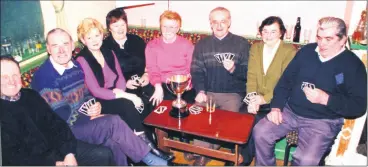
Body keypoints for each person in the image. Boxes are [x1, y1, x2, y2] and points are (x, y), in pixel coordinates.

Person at [31, 28, 180, 166]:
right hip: (64, 129)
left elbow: (87, 94)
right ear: (48, 49)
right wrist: (93, 115)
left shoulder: (74, 66)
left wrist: (96, 106)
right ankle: (154, 162)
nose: (62, 50)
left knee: (114, 142)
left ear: (72, 45)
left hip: (83, 120)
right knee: (113, 122)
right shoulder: (44, 76)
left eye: (65, 44)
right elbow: (62, 114)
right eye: (55, 45)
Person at [253, 17, 367, 166]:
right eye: (319, 37)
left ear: (343, 40)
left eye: (328, 39)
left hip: (323, 121)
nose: (322, 44)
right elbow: (285, 81)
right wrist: (276, 106)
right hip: (290, 111)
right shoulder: (307, 51)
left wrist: (326, 99)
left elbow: (358, 106)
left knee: (306, 160)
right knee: (261, 132)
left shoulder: (353, 65)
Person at [75, 18, 173, 161]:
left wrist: (122, 93)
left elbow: (120, 78)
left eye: (97, 35)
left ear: (102, 35)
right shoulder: (82, 59)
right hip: (99, 100)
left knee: (141, 102)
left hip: (117, 92)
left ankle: (147, 147)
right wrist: (124, 96)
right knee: (127, 104)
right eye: (89, 37)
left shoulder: (108, 52)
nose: (94, 40)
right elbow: (96, 90)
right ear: (83, 40)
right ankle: (150, 149)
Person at [0, 57, 115, 166]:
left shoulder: (30, 95)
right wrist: (52, 163)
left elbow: (56, 124)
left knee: (103, 154)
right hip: (37, 162)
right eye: (4, 77)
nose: (11, 81)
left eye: (15, 75)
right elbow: (12, 156)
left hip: (58, 149)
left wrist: (68, 153)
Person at [189, 7, 250, 165]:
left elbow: (248, 73)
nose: (219, 25)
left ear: (229, 22)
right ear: (210, 24)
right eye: (215, 22)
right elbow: (196, 70)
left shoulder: (242, 43)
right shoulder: (202, 44)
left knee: (227, 122)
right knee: (197, 115)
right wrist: (200, 90)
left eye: (223, 21)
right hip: (208, 92)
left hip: (233, 94)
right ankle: (202, 151)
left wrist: (233, 69)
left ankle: (201, 152)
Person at [239, 16, 297, 165]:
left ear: (281, 33)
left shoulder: (289, 51)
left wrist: (264, 99)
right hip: (256, 98)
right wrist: (252, 99)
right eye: (265, 31)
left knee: (257, 122)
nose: (268, 35)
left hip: (278, 101)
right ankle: (242, 157)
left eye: (273, 31)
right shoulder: (256, 48)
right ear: (260, 32)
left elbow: (287, 83)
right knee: (243, 117)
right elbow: (251, 75)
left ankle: (249, 160)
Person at [102, 8, 155, 120]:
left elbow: (149, 61)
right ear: (109, 28)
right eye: (116, 25)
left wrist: (146, 74)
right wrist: (125, 83)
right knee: (134, 107)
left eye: (123, 24)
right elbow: (106, 76)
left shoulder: (137, 40)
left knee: (157, 98)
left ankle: (159, 132)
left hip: (144, 83)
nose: (120, 29)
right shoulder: (104, 47)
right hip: (122, 88)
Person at [145, 10, 196, 106]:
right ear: (160, 26)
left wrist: (189, 82)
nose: (167, 30)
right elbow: (152, 69)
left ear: (177, 29)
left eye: (171, 27)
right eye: (164, 26)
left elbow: (192, 68)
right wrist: (158, 86)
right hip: (162, 83)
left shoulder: (187, 45)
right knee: (158, 108)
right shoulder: (152, 46)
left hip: (183, 85)